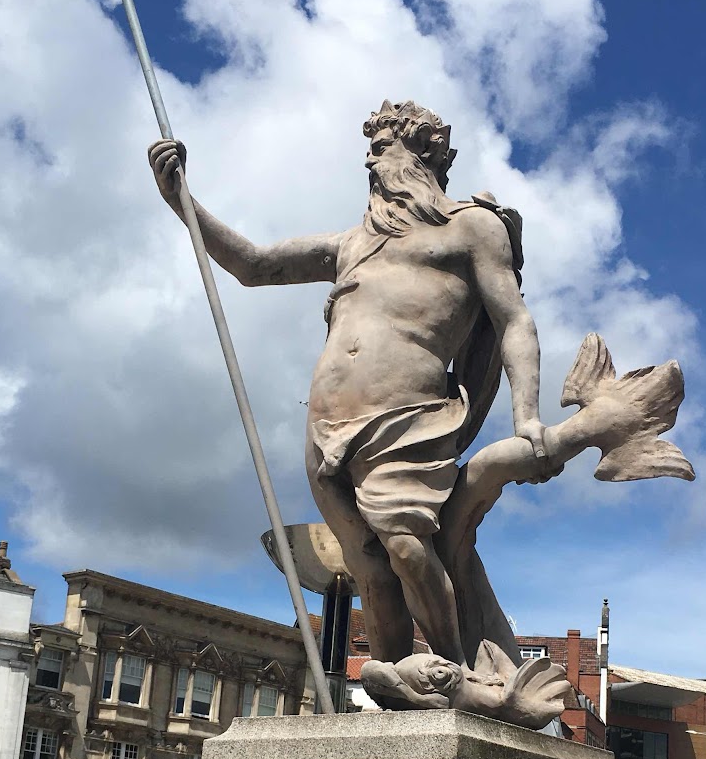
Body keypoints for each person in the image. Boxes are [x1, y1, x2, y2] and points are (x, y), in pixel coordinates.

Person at [148, 103, 547, 684]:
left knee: (407, 548)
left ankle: (457, 676)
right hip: (326, 428)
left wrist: (527, 416)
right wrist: (181, 199)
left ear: (423, 152)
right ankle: (394, 683)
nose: (369, 161)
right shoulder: (352, 243)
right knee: (369, 567)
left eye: (382, 147)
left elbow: (514, 320)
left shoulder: (472, 228)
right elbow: (254, 266)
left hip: (408, 419)